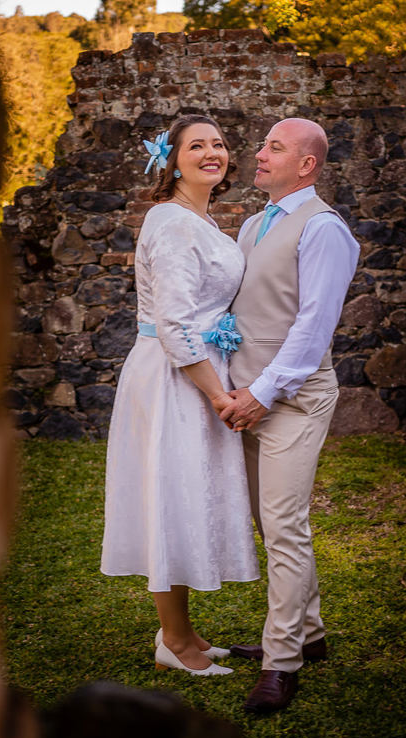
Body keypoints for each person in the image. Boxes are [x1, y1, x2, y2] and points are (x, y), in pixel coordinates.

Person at [100, 115, 259, 676]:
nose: (212, 153)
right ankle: (173, 641)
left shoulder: (200, 219)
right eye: (197, 146)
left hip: (198, 371)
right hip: (176, 376)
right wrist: (219, 395)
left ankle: (185, 633)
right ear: (172, 160)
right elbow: (173, 324)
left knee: (186, 496)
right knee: (170, 500)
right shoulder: (170, 222)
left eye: (219, 144)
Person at [219, 118, 360, 711]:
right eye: (262, 144)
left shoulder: (324, 229)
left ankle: (282, 662)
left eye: (273, 147)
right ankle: (309, 632)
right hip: (249, 398)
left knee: (283, 526)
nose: (258, 154)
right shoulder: (254, 224)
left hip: (293, 399)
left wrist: (262, 392)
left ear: (306, 165)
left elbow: (313, 325)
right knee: (269, 523)